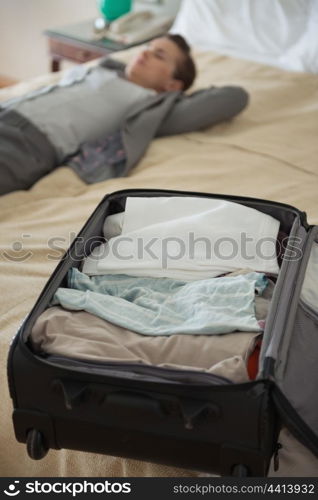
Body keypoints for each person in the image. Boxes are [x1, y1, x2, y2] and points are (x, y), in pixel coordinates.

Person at [0, 34, 249, 195]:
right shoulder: (105, 70)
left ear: (173, 85)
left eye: (158, 55)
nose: (144, 53)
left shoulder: (150, 106)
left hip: (26, 145)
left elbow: (234, 97)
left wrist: (174, 93)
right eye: (148, 47)